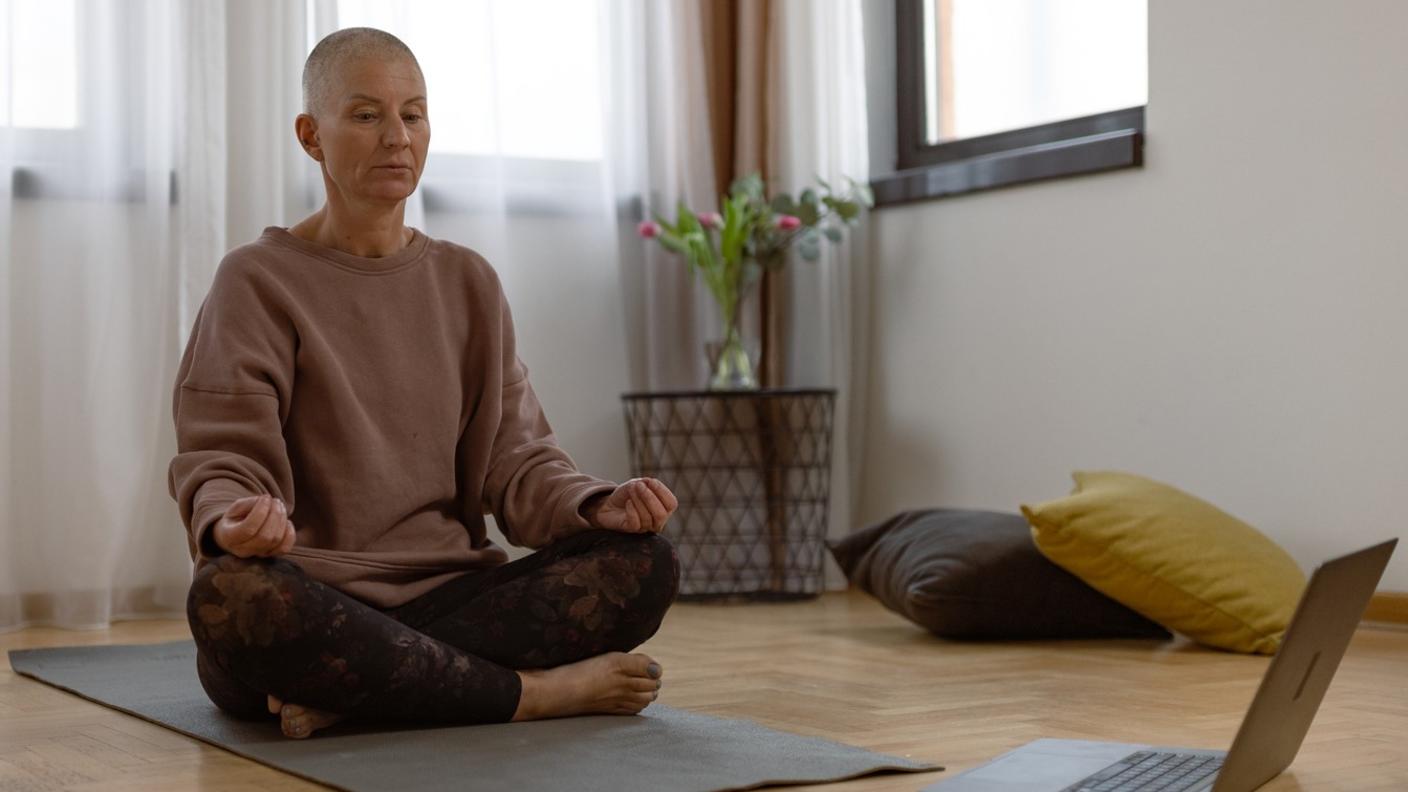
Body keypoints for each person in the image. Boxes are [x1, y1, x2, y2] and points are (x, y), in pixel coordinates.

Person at [168, 27, 681, 740]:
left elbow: (519, 462)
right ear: (312, 136)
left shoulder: (468, 282)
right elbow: (221, 456)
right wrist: (230, 520)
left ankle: (363, 694)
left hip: (450, 596)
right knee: (230, 599)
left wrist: (596, 506)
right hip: (314, 598)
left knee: (644, 563)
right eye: (367, 115)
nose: (396, 137)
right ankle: (530, 695)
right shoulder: (255, 280)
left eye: (413, 114)